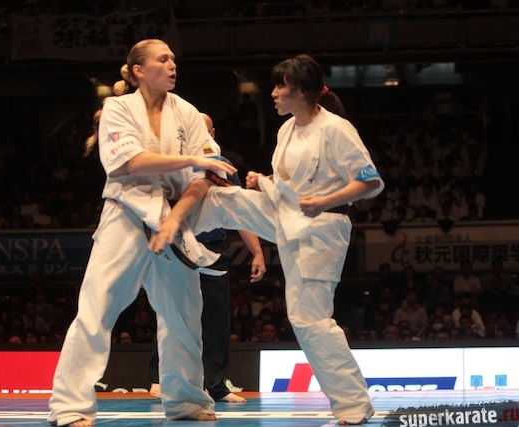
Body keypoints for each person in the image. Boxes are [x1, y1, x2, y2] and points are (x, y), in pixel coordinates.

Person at [150, 54, 383, 424]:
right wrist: (265, 182)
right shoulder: (287, 128)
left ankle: (354, 404)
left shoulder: (335, 129)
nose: (273, 93)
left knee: (309, 320)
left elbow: (370, 182)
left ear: (302, 91)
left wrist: (325, 200)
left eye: (280, 86)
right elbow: (294, 183)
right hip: (285, 215)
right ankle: (182, 239)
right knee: (221, 198)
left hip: (321, 228)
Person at [47, 39, 238, 427]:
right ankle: (70, 406)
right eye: (163, 59)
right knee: (97, 308)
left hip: (173, 221)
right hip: (126, 215)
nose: (172, 65)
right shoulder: (117, 109)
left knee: (184, 314)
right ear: (138, 70)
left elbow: (209, 173)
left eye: (173, 59)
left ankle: (185, 400)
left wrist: (176, 215)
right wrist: (190, 158)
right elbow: (130, 163)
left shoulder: (186, 112)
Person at [148, 113, 267, 404]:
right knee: (172, 311)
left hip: (213, 248)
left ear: (212, 133)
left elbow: (240, 213)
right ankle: (159, 377)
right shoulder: (174, 162)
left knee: (216, 319)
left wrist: (257, 252)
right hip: (177, 247)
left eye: (203, 129)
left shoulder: (223, 166)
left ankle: (216, 386)